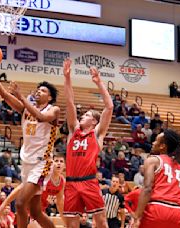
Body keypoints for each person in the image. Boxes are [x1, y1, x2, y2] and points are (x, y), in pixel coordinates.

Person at [0, 57, 60, 228]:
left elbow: (41, 118)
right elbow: (3, 94)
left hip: (43, 163)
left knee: (19, 204)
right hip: (27, 163)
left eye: (43, 91)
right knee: (36, 212)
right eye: (37, 90)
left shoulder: (53, 110)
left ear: (50, 97)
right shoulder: (26, 109)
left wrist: (21, 96)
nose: (38, 92)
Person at [62, 59, 112, 228]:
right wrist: (67, 78)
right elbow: (69, 103)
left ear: (94, 121)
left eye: (87, 115)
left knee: (101, 221)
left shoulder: (97, 133)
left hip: (89, 181)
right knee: (71, 225)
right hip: (71, 182)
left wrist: (99, 83)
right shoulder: (72, 131)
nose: (82, 115)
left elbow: (109, 107)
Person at [134, 129, 180, 228]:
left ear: (162, 146)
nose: (153, 142)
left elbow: (147, 189)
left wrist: (137, 217)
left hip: (157, 209)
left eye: (156, 140)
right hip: (177, 213)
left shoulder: (153, 161)